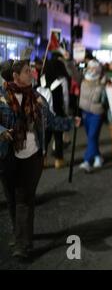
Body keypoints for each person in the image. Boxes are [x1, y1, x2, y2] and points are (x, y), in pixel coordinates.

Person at [0, 60, 74, 259]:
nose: (32, 74)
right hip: (7, 155)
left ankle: (23, 245)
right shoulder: (2, 98)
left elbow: (51, 121)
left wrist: (69, 122)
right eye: (27, 72)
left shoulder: (38, 97)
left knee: (24, 199)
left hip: (32, 156)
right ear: (15, 76)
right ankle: (20, 233)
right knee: (12, 198)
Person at [42, 57, 70, 169]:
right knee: (58, 138)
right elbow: (66, 99)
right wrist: (66, 113)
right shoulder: (62, 80)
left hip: (44, 114)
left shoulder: (42, 78)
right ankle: (59, 161)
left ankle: (42, 161)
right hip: (58, 113)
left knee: (45, 139)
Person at [78, 59, 107, 172]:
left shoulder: (103, 82)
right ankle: (98, 157)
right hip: (85, 113)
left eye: (95, 68)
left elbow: (104, 100)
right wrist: (68, 60)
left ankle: (87, 161)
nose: (92, 70)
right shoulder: (83, 79)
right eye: (90, 68)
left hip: (97, 113)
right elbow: (72, 71)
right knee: (92, 138)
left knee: (91, 136)